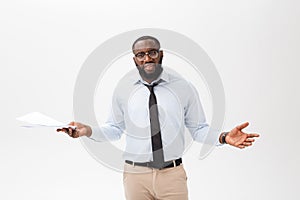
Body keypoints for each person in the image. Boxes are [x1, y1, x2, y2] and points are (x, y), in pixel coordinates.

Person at [57, 36, 260, 200]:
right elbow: (114, 128)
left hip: (172, 175)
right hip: (135, 176)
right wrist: (87, 130)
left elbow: (199, 129)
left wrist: (224, 137)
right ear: (134, 59)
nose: (147, 58)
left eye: (152, 52)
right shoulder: (123, 89)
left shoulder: (183, 88)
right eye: (140, 54)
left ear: (161, 55)